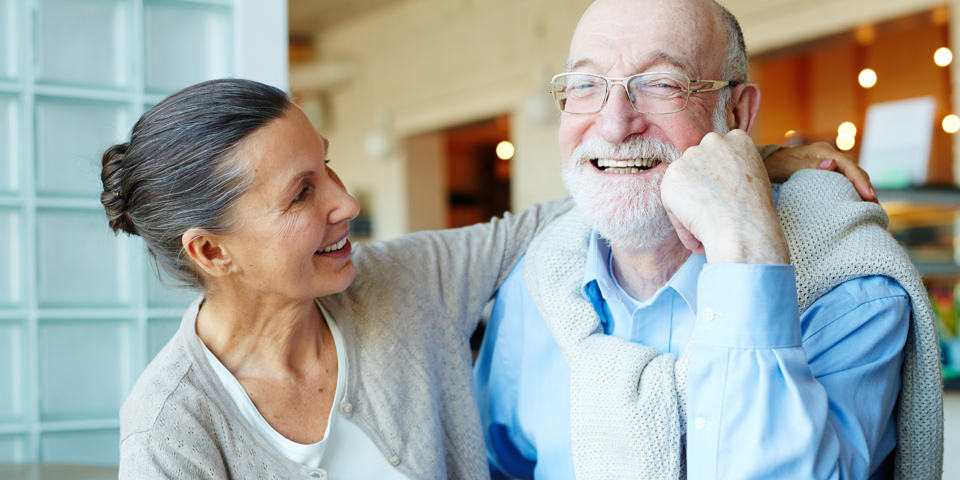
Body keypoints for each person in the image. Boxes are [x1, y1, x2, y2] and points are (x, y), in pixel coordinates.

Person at [109, 79, 874, 479]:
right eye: (302, 193)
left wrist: (740, 167)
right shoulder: (171, 428)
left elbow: (563, 218)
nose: (346, 202)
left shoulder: (397, 278)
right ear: (212, 252)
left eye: (328, 164)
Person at [473, 1, 942, 480]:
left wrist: (746, 253)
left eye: (661, 84)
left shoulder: (850, 292)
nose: (614, 126)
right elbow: (504, 467)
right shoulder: (533, 289)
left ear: (736, 113)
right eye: (586, 85)